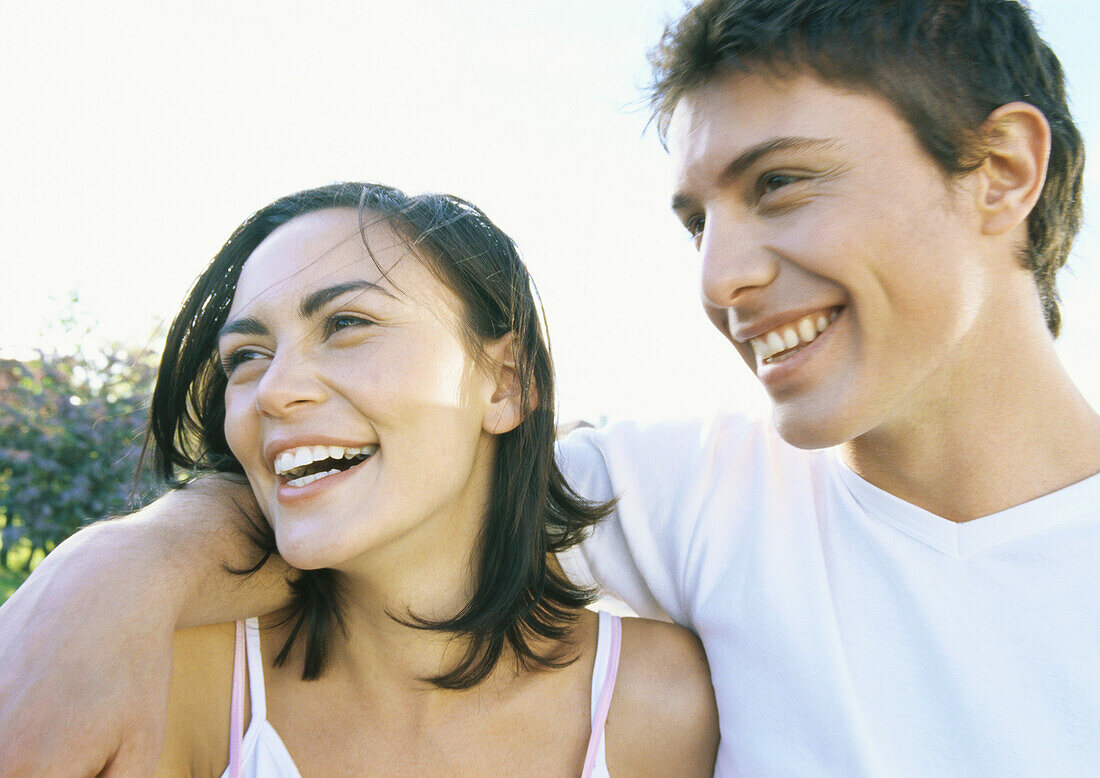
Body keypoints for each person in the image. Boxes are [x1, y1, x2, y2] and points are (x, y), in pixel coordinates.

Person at [2, 0, 1099, 774]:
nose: (720, 276)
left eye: (779, 184)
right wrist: (106, 575)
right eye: (696, 220)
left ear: (998, 170)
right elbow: (387, 481)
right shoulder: (694, 490)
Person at [2, 182, 719, 776]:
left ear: (506, 383)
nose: (274, 391)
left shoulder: (661, 700)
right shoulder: (175, 685)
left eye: (346, 323)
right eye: (245, 355)